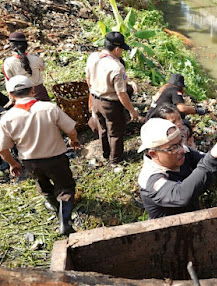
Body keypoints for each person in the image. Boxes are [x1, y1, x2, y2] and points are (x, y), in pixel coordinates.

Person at [0, 75, 81, 235]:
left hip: (30, 162)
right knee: (66, 187)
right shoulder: (48, 108)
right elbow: (71, 129)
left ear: (11, 95)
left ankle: (55, 207)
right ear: (32, 90)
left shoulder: (7, 118)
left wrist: (13, 164)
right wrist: (74, 140)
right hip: (56, 158)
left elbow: (3, 149)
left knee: (43, 186)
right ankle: (65, 222)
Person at [137, 117, 217, 219]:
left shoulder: (184, 153)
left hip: (193, 220)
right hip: (169, 235)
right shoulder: (151, 179)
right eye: (173, 148)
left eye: (180, 142)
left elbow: (214, 164)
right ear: (153, 154)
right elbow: (181, 195)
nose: (181, 150)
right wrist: (213, 155)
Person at [85, 31, 141, 164]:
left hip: (95, 98)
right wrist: (132, 110)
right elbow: (121, 93)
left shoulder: (93, 57)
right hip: (110, 104)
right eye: (121, 49)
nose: (122, 52)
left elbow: (87, 79)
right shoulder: (117, 67)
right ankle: (115, 159)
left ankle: (105, 153)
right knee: (115, 132)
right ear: (116, 49)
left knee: (102, 128)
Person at [3, 32, 51, 103]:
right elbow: (43, 68)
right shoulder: (36, 59)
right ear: (26, 45)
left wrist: (12, 99)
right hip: (40, 94)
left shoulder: (8, 63)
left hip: (22, 96)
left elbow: (9, 81)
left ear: (11, 46)